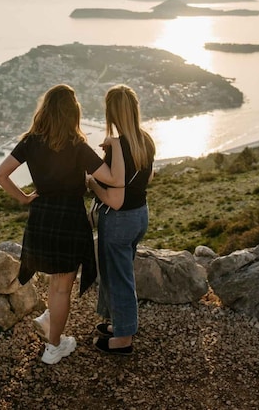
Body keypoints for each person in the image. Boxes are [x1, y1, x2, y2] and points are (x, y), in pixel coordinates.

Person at [0, 84, 125, 365]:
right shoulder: (76, 144)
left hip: (41, 217)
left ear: (45, 110)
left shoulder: (30, 141)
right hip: (69, 218)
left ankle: (51, 325)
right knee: (62, 287)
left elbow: (0, 175)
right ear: (72, 113)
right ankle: (54, 347)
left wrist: (26, 198)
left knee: (55, 283)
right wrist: (116, 147)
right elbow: (113, 178)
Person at [86, 84, 155, 355]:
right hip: (140, 216)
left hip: (119, 220)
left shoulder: (118, 146)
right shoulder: (145, 140)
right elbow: (148, 178)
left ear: (112, 113)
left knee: (118, 279)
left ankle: (123, 339)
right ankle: (120, 324)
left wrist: (92, 184)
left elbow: (114, 199)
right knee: (121, 275)